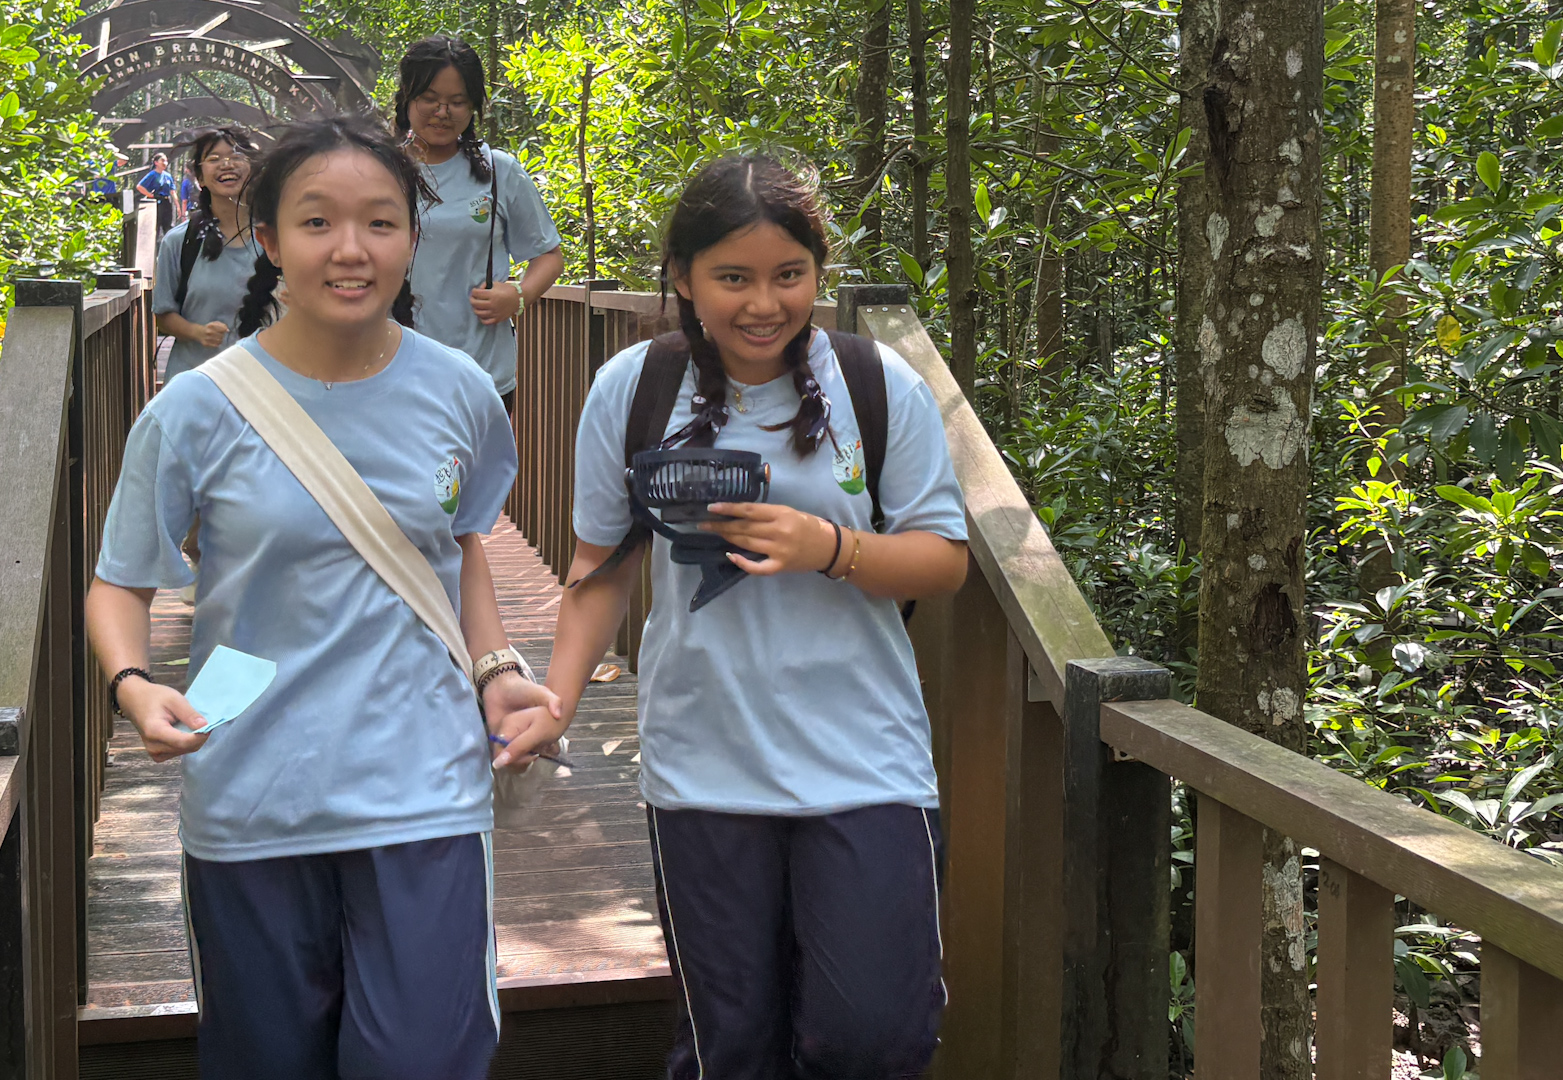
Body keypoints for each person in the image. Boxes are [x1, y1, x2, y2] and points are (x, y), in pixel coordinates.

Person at [84, 114, 560, 1080]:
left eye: (381, 222)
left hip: (423, 787)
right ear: (268, 239)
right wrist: (134, 684)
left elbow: (461, 546)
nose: (352, 250)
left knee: (423, 1059)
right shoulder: (194, 409)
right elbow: (118, 582)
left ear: (413, 238)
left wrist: (498, 667)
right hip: (254, 792)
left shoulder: (461, 390)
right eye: (317, 223)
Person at [540, 154, 968, 1078]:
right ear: (684, 277)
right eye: (733, 278)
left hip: (865, 759)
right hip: (705, 763)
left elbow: (943, 558)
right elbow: (600, 568)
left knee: (874, 1036)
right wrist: (556, 701)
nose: (764, 304)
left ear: (819, 272)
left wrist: (831, 547)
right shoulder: (634, 387)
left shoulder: (876, 383)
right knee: (730, 1045)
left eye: (789, 275)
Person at [395, 35, 564, 414]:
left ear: (474, 106)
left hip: (482, 375)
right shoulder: (377, 170)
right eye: (429, 98)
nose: (443, 112)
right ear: (407, 97)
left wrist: (518, 295)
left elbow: (549, 255)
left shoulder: (498, 171)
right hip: (393, 371)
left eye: (457, 102)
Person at [154, 127, 262, 380]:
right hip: (195, 383)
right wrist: (198, 332)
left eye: (236, 156)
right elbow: (163, 315)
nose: (227, 164)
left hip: (262, 385)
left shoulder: (278, 238)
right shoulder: (180, 241)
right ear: (200, 177)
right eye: (214, 159)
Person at [135, 151, 180, 233]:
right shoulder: (152, 174)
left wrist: (178, 206)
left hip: (166, 202)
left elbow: (173, 191)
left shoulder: (168, 176)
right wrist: (150, 195)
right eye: (162, 160)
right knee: (156, 226)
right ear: (156, 163)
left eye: (166, 161)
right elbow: (139, 186)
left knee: (168, 226)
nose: (165, 163)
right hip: (156, 202)